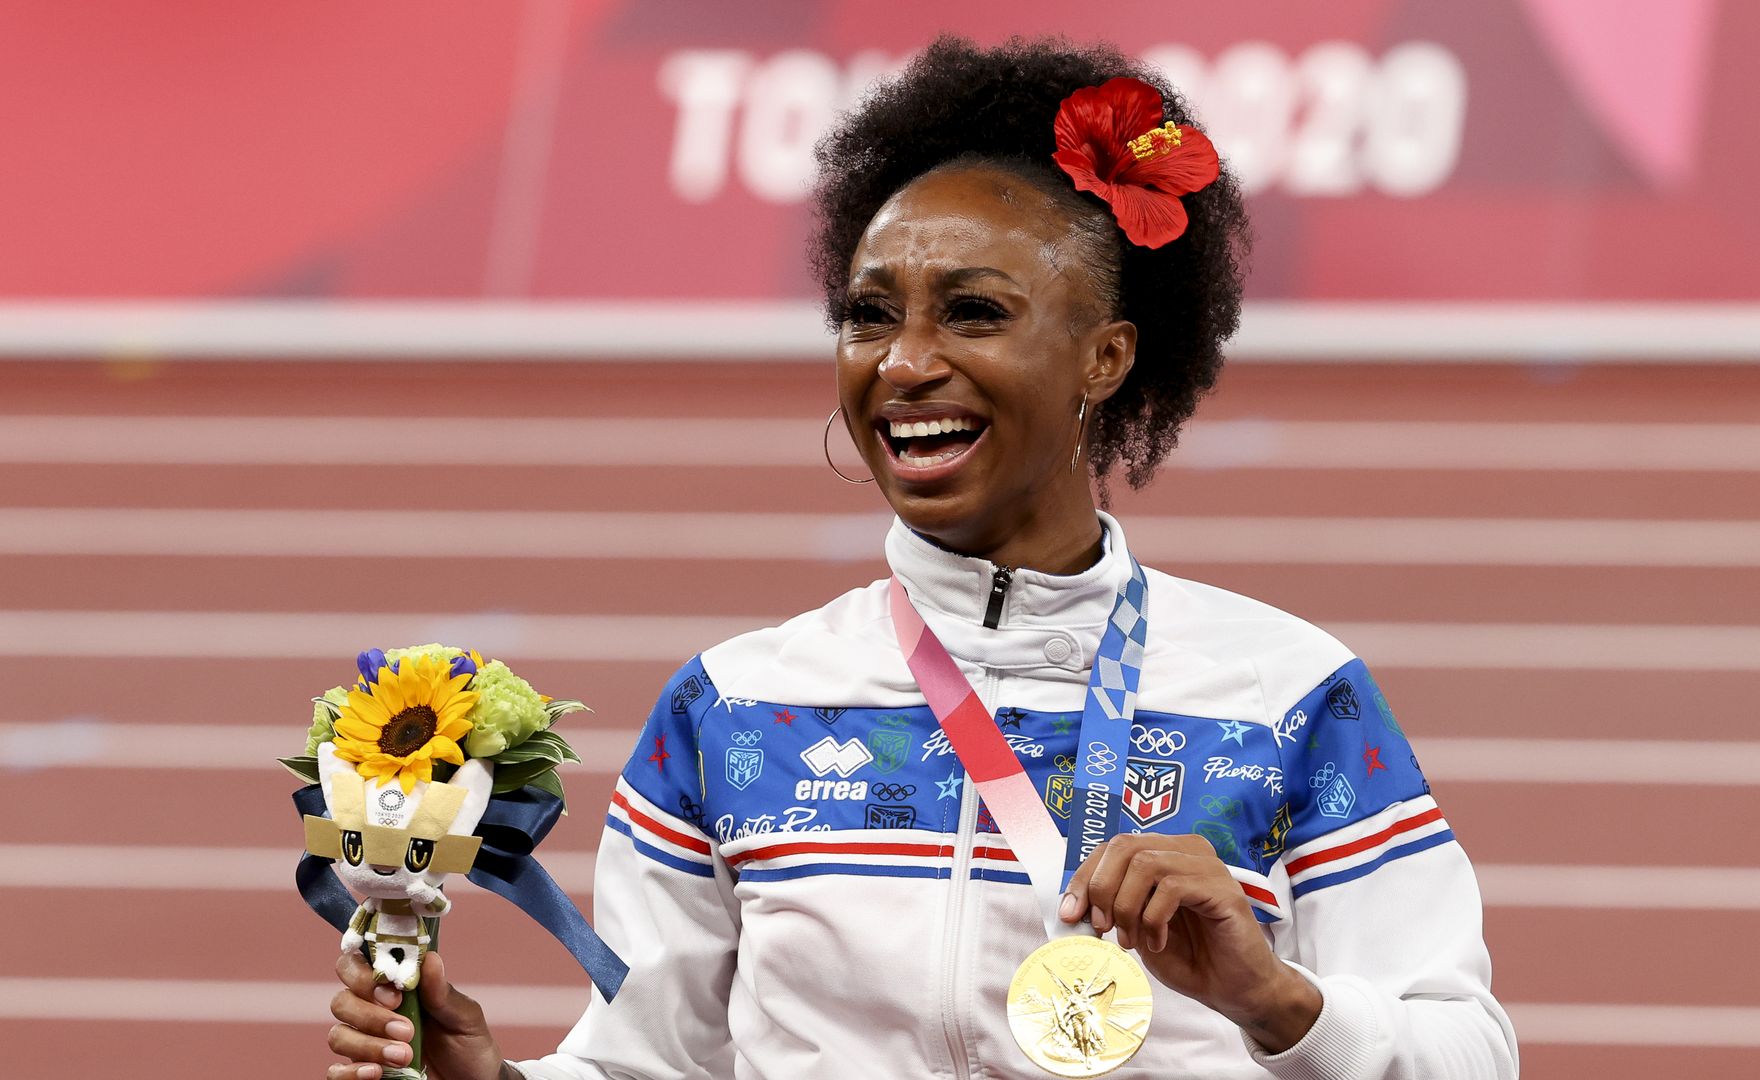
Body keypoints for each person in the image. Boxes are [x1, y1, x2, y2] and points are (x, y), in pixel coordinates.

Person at [324, 35, 1518, 1080]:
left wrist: (1280, 1003)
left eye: (975, 313)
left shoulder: (1290, 696)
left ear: (1105, 359)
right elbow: (648, 1065)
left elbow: (1470, 1053)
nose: (902, 363)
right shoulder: (736, 708)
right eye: (870, 313)